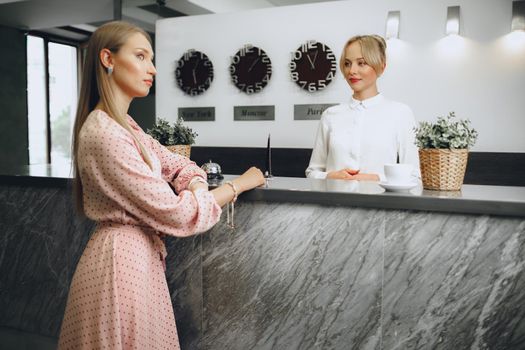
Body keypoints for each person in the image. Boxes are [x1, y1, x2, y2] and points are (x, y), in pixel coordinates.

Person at [57, 21, 265, 349]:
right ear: (108, 59)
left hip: (137, 264)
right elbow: (177, 214)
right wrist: (238, 185)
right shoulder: (105, 134)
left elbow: (177, 163)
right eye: (140, 56)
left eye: (151, 58)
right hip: (119, 271)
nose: (152, 69)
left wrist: (196, 184)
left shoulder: (125, 125)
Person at [306, 34, 419, 181]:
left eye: (361, 63)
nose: (352, 71)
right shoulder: (330, 115)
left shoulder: (400, 113)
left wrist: (374, 178)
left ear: (381, 66)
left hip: (381, 202)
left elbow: (415, 175)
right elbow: (312, 172)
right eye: (347, 63)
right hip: (334, 201)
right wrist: (331, 175)